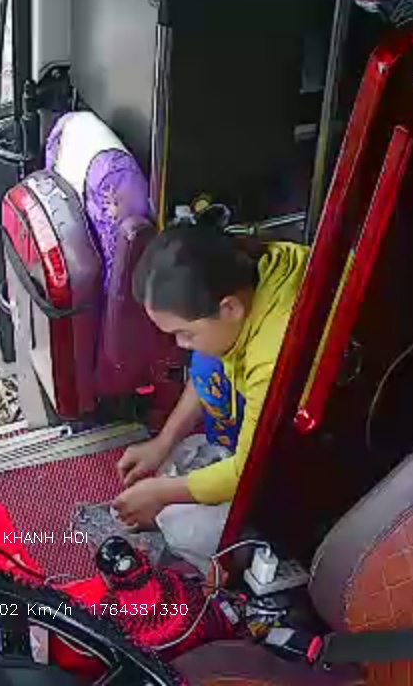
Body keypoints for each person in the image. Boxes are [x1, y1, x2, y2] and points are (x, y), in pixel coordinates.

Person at [110, 226, 309, 560]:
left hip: (310, 455)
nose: (180, 345)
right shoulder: (248, 274)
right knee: (206, 357)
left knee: (189, 531)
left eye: (185, 333)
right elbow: (206, 369)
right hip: (260, 406)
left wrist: (161, 494)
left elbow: (248, 470)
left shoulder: (275, 355)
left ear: (229, 308)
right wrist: (163, 442)